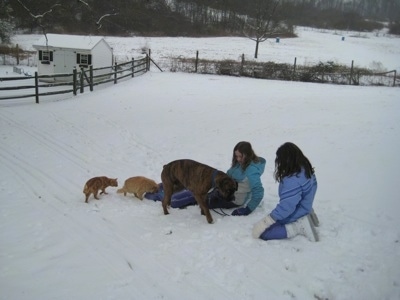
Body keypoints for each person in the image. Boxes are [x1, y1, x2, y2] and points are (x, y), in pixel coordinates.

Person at [144, 141, 266, 215]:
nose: (238, 159)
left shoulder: (251, 172)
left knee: (193, 198)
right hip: (221, 191)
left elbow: (259, 192)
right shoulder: (241, 164)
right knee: (193, 188)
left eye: (240, 157)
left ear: (248, 155)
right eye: (236, 156)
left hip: (232, 199)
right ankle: (165, 188)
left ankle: (159, 196)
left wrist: (248, 209)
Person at [252, 142, 319, 242]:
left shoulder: (292, 180)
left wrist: (266, 221)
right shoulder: (305, 168)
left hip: (297, 210)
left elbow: (287, 207)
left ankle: (299, 227)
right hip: (305, 206)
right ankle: (308, 214)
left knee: (265, 233)